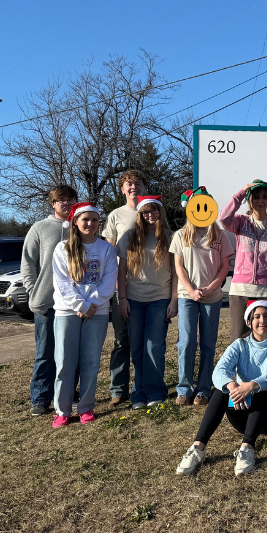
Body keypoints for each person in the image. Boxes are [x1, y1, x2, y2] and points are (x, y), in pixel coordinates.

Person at [175, 300, 267, 477]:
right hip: (242, 416)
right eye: (257, 317)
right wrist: (232, 385)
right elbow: (219, 372)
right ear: (249, 322)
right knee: (221, 389)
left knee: (263, 388)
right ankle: (198, 447)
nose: (263, 321)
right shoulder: (240, 345)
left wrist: (251, 385)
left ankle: (247, 448)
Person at [50, 203, 118, 428]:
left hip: (96, 313)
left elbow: (109, 281)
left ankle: (86, 407)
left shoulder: (107, 249)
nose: (90, 224)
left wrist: (92, 304)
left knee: (90, 361)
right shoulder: (63, 248)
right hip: (67, 311)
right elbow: (61, 283)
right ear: (75, 223)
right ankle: (62, 410)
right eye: (85, 220)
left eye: (95, 220)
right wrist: (80, 304)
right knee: (65, 362)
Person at [172, 187, 234, 406]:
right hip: (187, 296)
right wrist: (191, 290)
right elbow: (178, 266)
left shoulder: (220, 236)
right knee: (186, 342)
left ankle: (204, 389)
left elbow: (225, 266)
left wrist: (210, 288)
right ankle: (184, 388)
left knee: (208, 344)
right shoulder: (180, 235)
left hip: (212, 296)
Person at [21, 184, 77, 416]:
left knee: (72, 352)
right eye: (61, 200)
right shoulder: (40, 228)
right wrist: (34, 291)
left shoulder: (82, 225)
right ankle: (41, 398)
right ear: (53, 204)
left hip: (74, 302)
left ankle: (69, 393)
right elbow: (28, 262)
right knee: (45, 352)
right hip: (46, 303)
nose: (66, 203)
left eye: (70, 199)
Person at [116, 196, 177, 409]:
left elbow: (177, 273)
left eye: (154, 211)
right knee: (138, 347)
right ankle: (138, 394)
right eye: (145, 212)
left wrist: (174, 300)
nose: (150, 216)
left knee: (154, 346)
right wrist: (122, 299)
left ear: (161, 213)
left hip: (160, 299)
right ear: (140, 215)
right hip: (134, 299)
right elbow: (121, 271)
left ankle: (156, 392)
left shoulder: (170, 237)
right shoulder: (128, 237)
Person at [220, 179, 267, 342]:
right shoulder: (240, 222)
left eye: (265, 197)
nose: (260, 200)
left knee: (264, 338)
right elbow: (224, 218)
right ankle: (239, 368)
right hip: (241, 291)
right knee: (238, 339)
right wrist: (241, 194)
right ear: (250, 200)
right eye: (256, 197)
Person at [103, 169, 145, 406]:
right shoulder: (116, 216)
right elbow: (109, 253)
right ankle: (118, 390)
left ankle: (141, 386)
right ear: (122, 189)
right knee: (121, 341)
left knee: (140, 341)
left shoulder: (152, 212)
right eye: (129, 184)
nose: (133, 188)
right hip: (121, 287)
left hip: (147, 288)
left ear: (144, 187)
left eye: (137, 184)